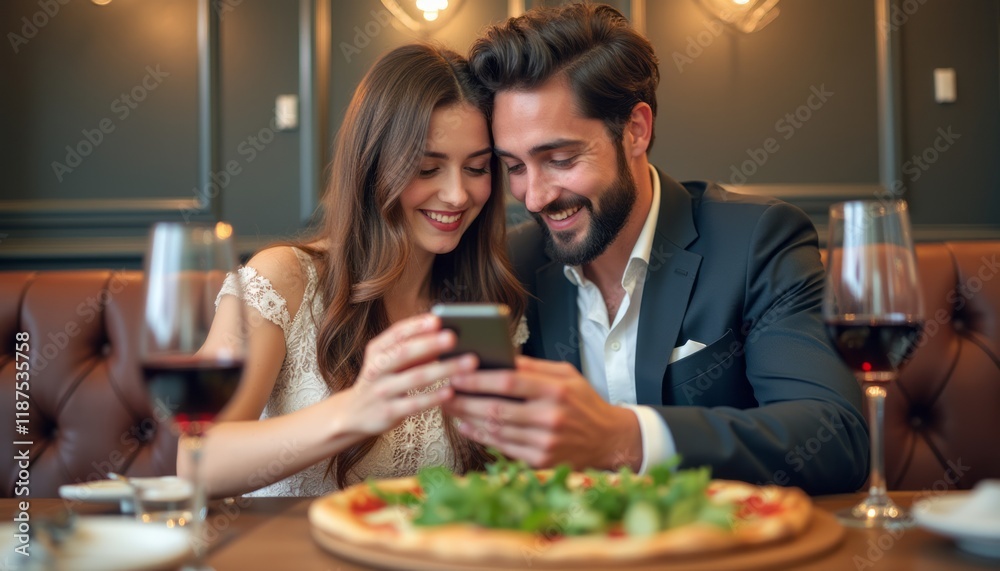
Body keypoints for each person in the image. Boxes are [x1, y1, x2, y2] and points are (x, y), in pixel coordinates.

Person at [443, 2, 869, 495]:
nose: (534, 197)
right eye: (513, 167)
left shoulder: (758, 241)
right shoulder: (510, 264)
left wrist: (627, 438)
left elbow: (836, 437)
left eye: (559, 158)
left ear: (636, 131)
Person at [187, 43, 526, 498]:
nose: (457, 195)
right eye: (428, 168)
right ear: (372, 166)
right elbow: (196, 460)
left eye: (477, 168)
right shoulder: (283, 278)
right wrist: (353, 412)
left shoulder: (486, 297)